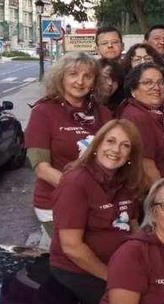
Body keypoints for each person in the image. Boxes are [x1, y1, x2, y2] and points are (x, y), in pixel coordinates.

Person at [49, 119, 144, 304]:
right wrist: (112, 278)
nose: (116, 150)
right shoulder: (75, 182)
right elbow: (72, 247)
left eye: (125, 145)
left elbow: (134, 227)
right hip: (82, 271)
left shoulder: (126, 181)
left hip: (120, 266)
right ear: (97, 144)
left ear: (130, 155)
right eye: (110, 141)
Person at [26, 52, 113, 242]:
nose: (80, 81)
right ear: (61, 77)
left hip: (97, 203)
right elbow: (42, 169)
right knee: (71, 257)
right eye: (73, 74)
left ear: (95, 81)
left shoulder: (104, 113)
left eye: (87, 76)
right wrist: (84, 191)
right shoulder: (43, 111)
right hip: (55, 203)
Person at [119, 62, 164, 182]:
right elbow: (146, 165)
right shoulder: (136, 117)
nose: (156, 88)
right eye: (148, 83)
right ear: (133, 89)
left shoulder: (159, 113)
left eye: (160, 83)